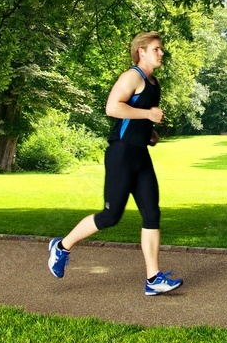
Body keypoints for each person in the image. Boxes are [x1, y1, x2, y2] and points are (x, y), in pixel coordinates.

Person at [48, 31, 183, 296]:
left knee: (152, 214)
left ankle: (153, 278)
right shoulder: (132, 76)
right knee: (111, 216)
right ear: (141, 51)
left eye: (161, 49)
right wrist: (148, 115)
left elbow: (133, 119)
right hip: (121, 154)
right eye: (156, 49)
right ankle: (61, 246)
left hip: (140, 154)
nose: (161, 53)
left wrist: (148, 131)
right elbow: (112, 108)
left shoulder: (154, 83)